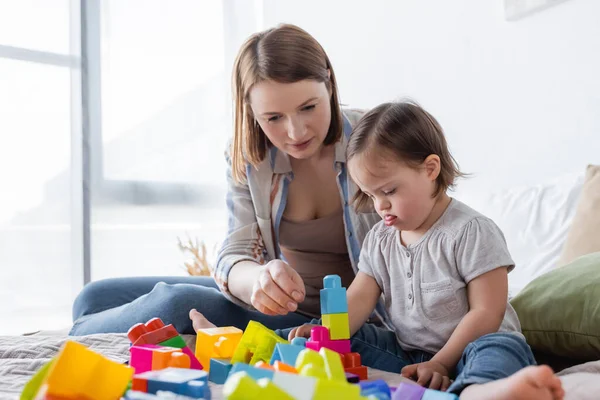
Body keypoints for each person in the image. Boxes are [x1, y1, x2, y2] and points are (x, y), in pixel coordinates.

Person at [69, 23, 382, 336]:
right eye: (273, 118)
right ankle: (86, 331)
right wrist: (259, 280)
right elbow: (235, 253)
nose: (295, 132)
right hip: (276, 306)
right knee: (94, 296)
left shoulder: (378, 139)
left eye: (308, 107)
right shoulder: (251, 157)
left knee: (176, 304)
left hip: (333, 320)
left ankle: (75, 338)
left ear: (328, 82)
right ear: (251, 110)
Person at [287, 101, 564, 400]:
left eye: (389, 191)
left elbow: (488, 311)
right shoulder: (381, 239)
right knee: (349, 338)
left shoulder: (471, 231)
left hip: (476, 346)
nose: (380, 206)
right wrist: (324, 334)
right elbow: (358, 299)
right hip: (411, 356)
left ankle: (482, 391)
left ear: (430, 169)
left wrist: (443, 362)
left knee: (501, 351)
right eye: (370, 194)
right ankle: (278, 354)